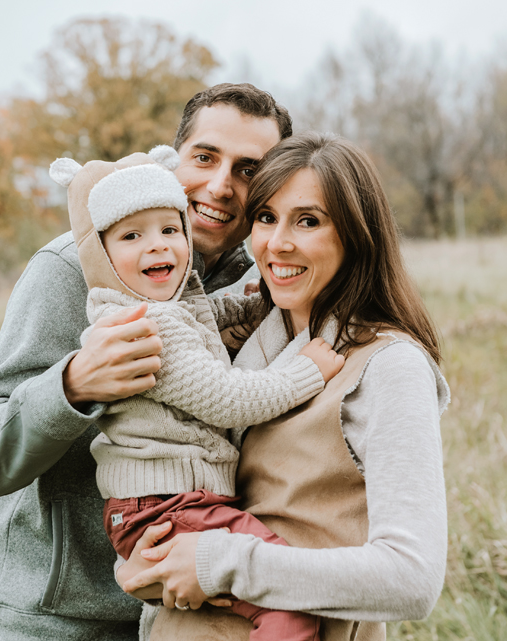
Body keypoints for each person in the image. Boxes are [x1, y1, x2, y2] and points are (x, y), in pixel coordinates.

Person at [0, 83, 292, 641]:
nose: (218, 185)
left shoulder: (257, 284)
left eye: (248, 169)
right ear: (173, 157)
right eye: (204, 158)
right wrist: (73, 385)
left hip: (187, 608)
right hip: (63, 619)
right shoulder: (70, 271)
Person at [119, 132, 451, 641]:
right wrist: (141, 566)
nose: (277, 244)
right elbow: (195, 510)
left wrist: (220, 561)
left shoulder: (389, 365)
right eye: (267, 218)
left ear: (357, 235)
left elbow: (412, 578)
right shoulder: (242, 347)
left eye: (309, 221)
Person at [48, 143, 347, 641]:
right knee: (287, 600)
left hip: (167, 504)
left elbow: (205, 316)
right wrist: (307, 371)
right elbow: (226, 398)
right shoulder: (141, 327)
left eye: (170, 229)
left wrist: (252, 308)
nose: (159, 245)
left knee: (257, 599)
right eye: (131, 235)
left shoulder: (163, 302)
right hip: (168, 507)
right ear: (100, 252)